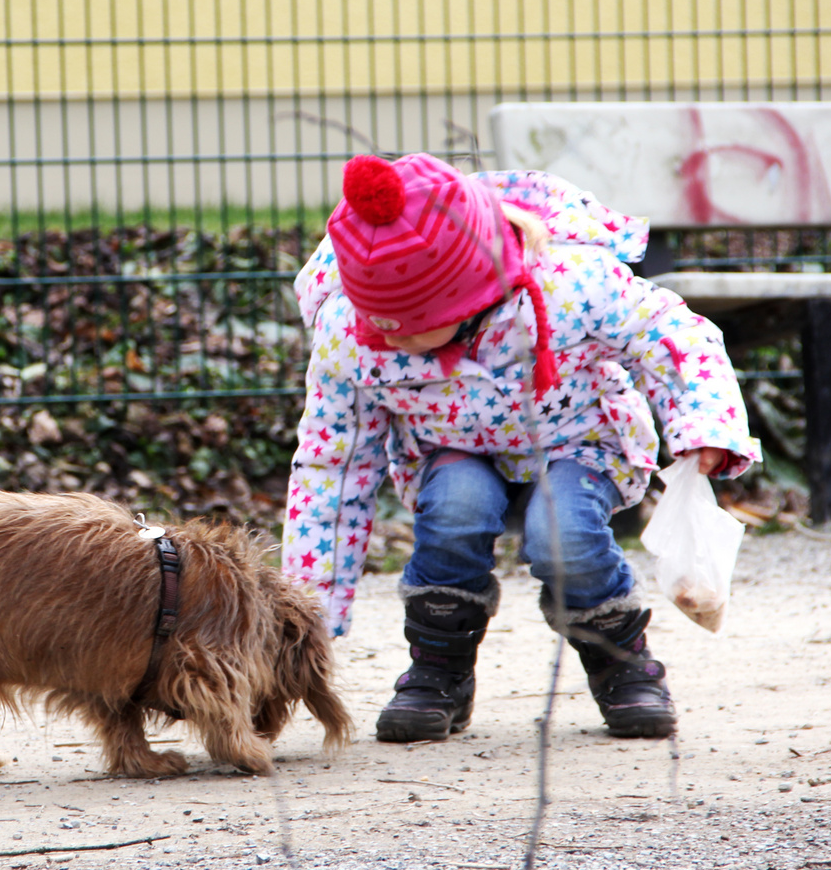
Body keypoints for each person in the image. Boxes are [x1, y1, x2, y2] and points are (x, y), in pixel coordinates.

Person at [282, 152, 760, 741]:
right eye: (376, 319)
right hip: (450, 450)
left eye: (405, 324)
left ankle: (621, 663)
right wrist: (308, 613)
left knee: (564, 536)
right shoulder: (352, 333)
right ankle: (439, 670)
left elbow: (675, 335)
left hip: (578, 442)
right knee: (454, 513)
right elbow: (333, 465)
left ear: (470, 298)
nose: (387, 336)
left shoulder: (571, 286)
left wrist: (705, 425)